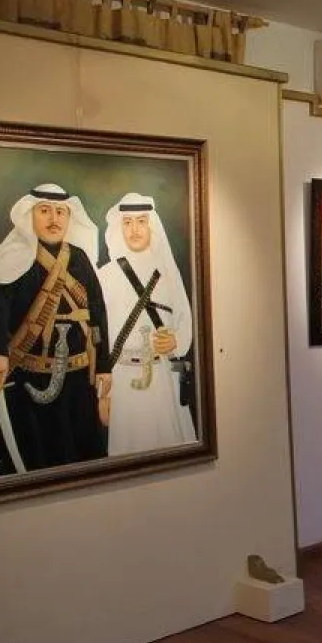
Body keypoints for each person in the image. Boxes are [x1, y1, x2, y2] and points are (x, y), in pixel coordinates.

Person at [0, 183, 111, 472]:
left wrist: (104, 365)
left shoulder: (80, 258)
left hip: (79, 381)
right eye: (45, 211)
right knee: (37, 457)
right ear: (30, 215)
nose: (54, 219)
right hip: (30, 381)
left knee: (84, 458)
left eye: (61, 212)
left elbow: (97, 315)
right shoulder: (10, 259)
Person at [97, 193, 197, 455]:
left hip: (163, 377)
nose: (134, 229)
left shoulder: (168, 273)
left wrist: (176, 340)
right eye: (128, 222)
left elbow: (184, 319)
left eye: (141, 221)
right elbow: (99, 337)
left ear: (151, 225)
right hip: (122, 381)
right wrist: (103, 394)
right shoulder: (105, 276)